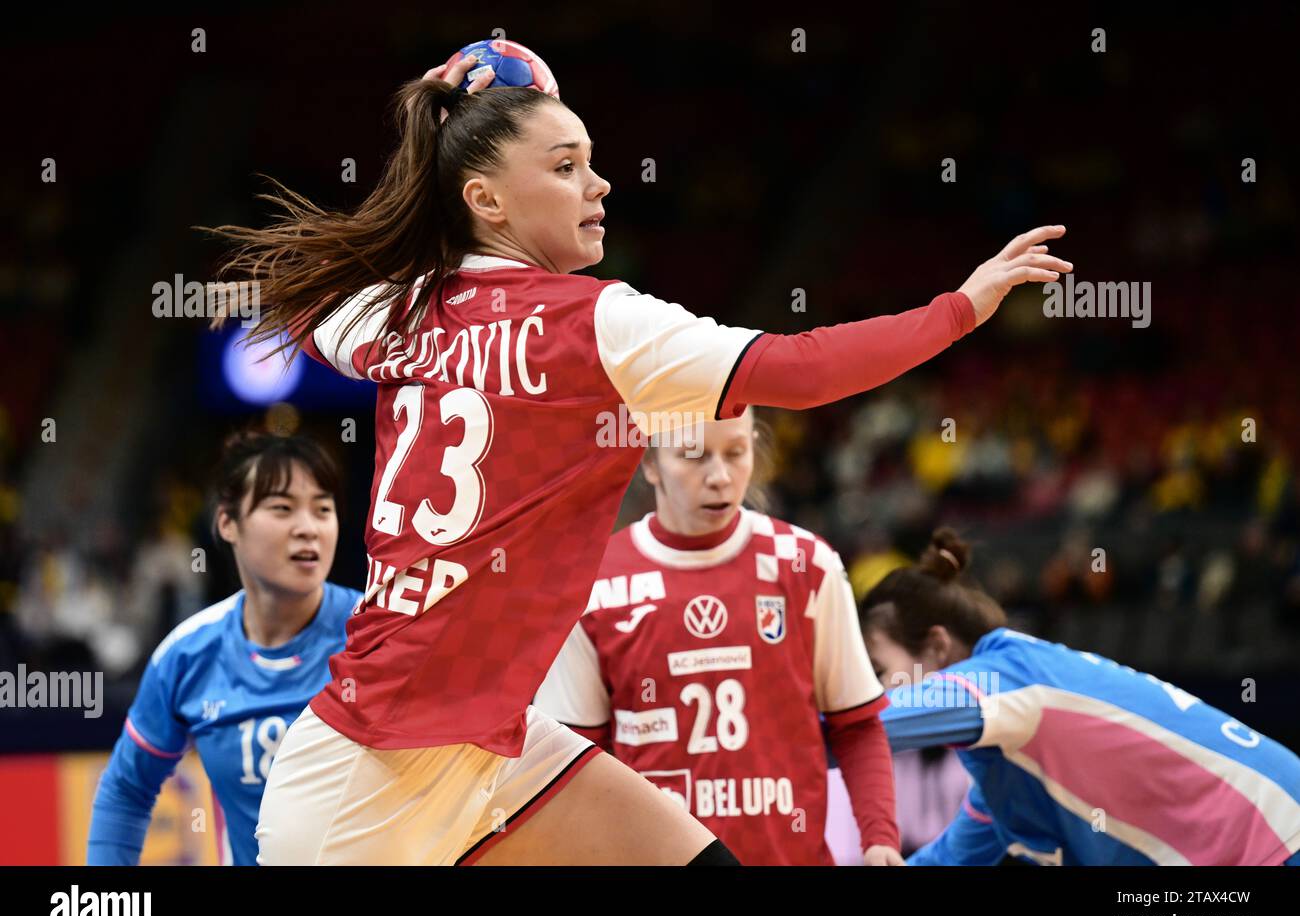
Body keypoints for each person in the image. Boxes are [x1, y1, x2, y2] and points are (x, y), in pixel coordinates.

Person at [208, 51, 1073, 865]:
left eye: (592, 161)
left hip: (488, 738)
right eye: (566, 166)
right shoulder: (600, 324)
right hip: (370, 772)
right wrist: (961, 306)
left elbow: (309, 316)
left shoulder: (399, 313)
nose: (600, 183)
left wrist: (431, 136)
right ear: (487, 199)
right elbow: (802, 370)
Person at [535, 409, 902, 865]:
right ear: (650, 463)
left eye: (736, 453)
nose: (720, 477)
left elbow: (858, 723)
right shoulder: (595, 586)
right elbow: (579, 763)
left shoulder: (807, 564)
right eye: (693, 456)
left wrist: (880, 838)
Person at [862, 528, 1300, 866]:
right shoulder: (1009, 772)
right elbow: (946, 860)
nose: (874, 689)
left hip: (1276, 838)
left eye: (879, 671)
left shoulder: (1006, 676)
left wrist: (796, 713)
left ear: (937, 646)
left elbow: (862, 725)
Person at [86, 431, 360, 865]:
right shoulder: (186, 656)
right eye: (282, 508)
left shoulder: (379, 634)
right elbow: (126, 790)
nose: (308, 527)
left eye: (323, 509)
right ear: (228, 523)